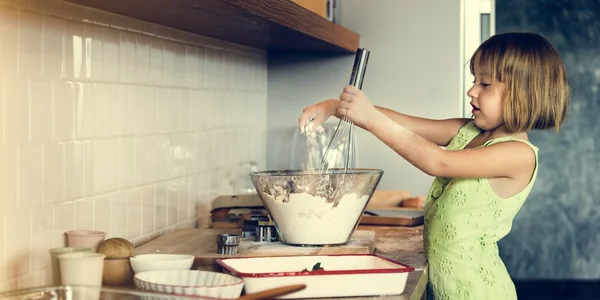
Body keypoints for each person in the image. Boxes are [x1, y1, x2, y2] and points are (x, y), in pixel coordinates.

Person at [296, 32, 570, 299]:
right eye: (475, 80)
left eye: (485, 84)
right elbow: (410, 125)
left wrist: (369, 117)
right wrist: (337, 107)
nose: (471, 90)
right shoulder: (470, 131)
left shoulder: (518, 155)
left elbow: (438, 161)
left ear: (524, 95)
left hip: (477, 292)